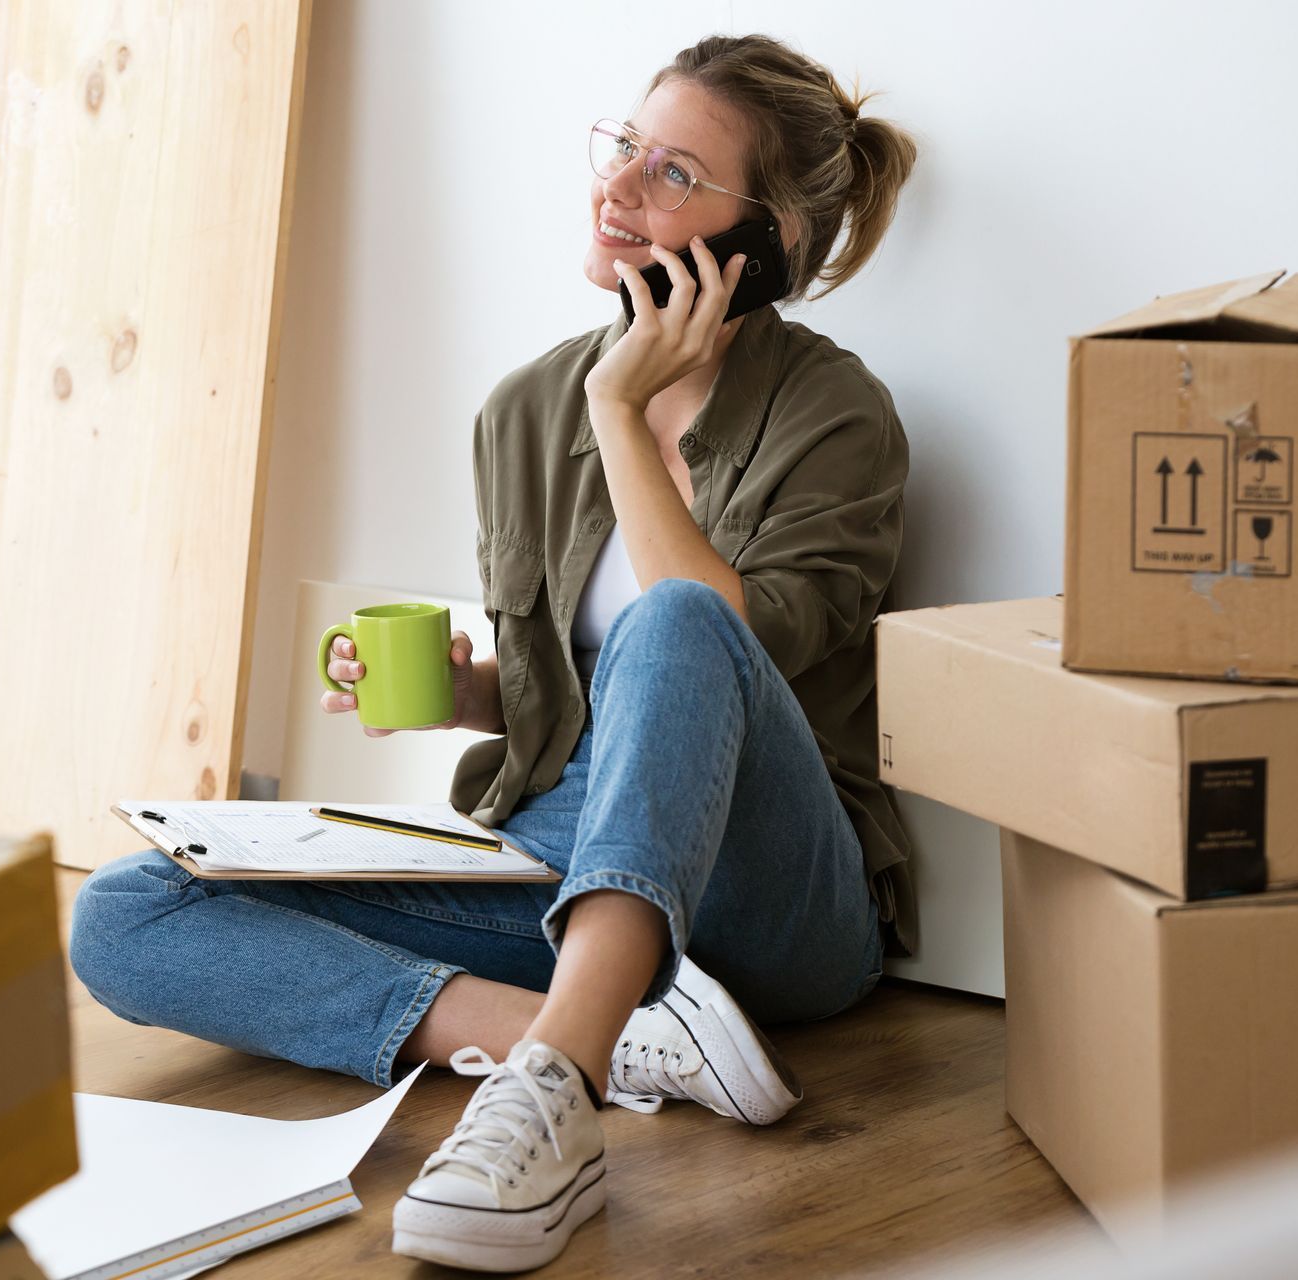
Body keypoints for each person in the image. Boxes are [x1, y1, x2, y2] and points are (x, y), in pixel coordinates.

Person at [71, 32, 920, 1272]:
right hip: (562, 855)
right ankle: (599, 1029)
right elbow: (573, 707)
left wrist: (623, 410)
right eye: (625, 147)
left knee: (678, 618)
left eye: (675, 173)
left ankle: (549, 1096)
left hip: (775, 892)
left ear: (765, 240)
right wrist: (474, 693)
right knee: (129, 907)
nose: (619, 190)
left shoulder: (835, 415)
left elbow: (724, 658)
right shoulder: (528, 406)